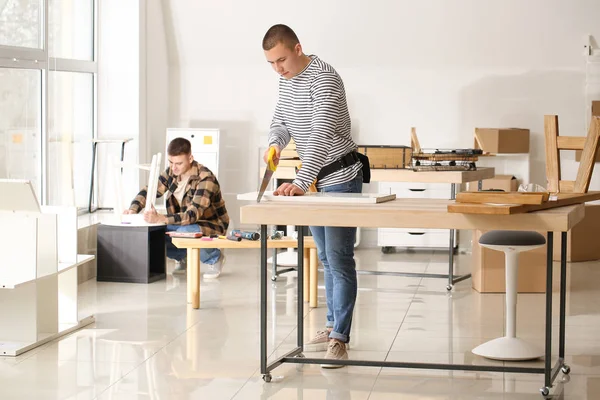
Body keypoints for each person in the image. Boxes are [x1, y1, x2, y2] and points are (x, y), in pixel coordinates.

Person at [262, 24, 364, 368]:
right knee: (325, 258)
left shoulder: (325, 79)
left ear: (298, 48)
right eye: (272, 63)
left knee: (339, 259)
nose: (278, 68)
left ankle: (340, 339)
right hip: (316, 182)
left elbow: (321, 134)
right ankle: (333, 324)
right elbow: (281, 120)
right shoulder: (286, 80)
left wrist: (301, 181)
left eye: (281, 59)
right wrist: (275, 143)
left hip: (340, 178)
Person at [125, 137, 229, 279]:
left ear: (190, 158)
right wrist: (133, 210)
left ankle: (215, 258)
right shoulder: (171, 173)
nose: (174, 168)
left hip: (210, 225)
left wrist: (161, 218)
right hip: (183, 223)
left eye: (179, 163)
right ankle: (182, 257)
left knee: (185, 231)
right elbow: (149, 191)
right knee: (155, 232)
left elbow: (192, 215)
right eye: (171, 162)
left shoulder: (206, 179)